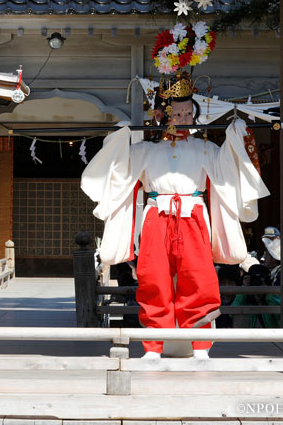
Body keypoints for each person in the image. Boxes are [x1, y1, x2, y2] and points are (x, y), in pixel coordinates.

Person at [81, 71, 269, 359]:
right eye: (177, 112)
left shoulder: (205, 148)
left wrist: (236, 135)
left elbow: (228, 172)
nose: (184, 118)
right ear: (162, 114)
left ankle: (201, 346)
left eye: (187, 112)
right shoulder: (144, 149)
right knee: (153, 279)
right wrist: (119, 137)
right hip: (157, 215)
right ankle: (153, 347)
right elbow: (118, 173)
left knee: (199, 279)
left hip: (193, 215)